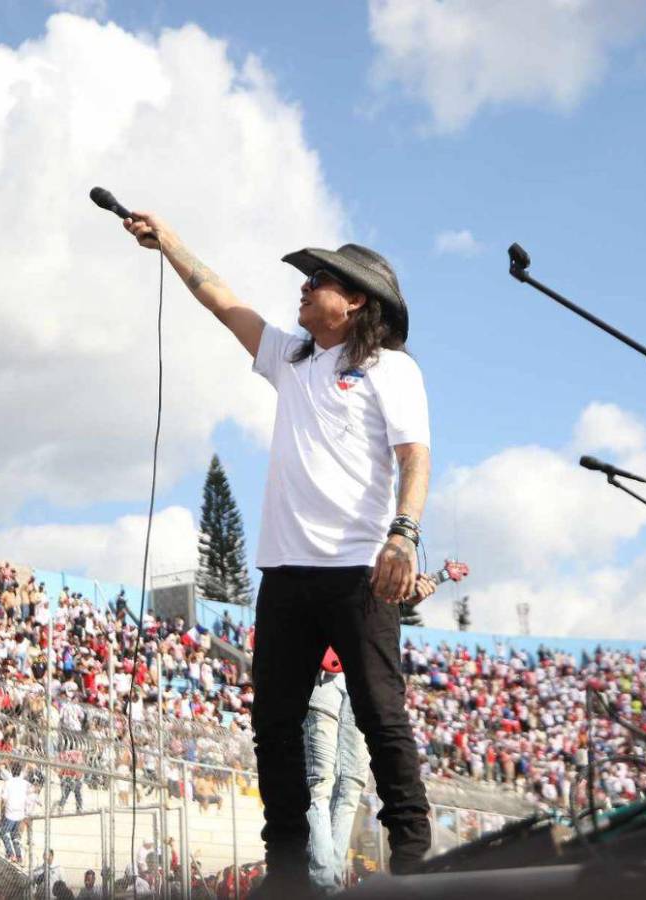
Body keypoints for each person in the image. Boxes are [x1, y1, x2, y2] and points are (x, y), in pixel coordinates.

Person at [124, 213, 433, 896]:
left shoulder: (392, 370)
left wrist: (404, 533)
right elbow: (222, 301)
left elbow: (415, 457)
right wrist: (168, 241)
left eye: (319, 279)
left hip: (358, 572)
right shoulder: (291, 359)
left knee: (381, 716)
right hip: (286, 573)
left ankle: (415, 859)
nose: (304, 285)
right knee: (274, 724)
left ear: (356, 300)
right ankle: (288, 868)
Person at [304, 574, 436, 893]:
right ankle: (323, 879)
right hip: (320, 669)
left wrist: (406, 595)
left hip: (361, 670)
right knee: (319, 780)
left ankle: (331, 881)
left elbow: (374, 605)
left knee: (352, 782)